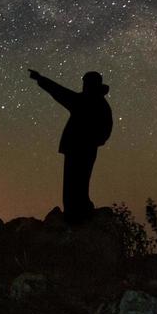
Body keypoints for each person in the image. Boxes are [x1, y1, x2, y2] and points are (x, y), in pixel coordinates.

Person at [28, 69, 112, 224]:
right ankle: (77, 212)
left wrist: (41, 79)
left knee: (75, 182)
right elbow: (107, 129)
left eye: (86, 83)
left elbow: (60, 92)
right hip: (82, 148)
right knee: (77, 181)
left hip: (79, 149)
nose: (84, 86)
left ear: (91, 84)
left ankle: (76, 214)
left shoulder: (87, 102)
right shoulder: (97, 103)